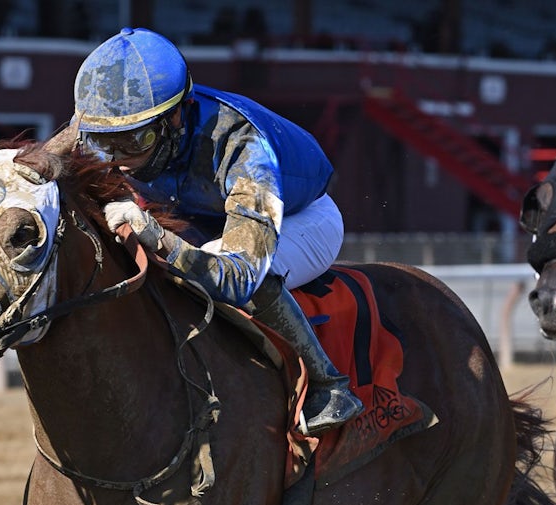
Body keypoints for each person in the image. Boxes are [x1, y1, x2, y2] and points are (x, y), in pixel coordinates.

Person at [72, 27, 363, 435]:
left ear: (176, 116)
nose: (116, 160)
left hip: (302, 218)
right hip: (204, 215)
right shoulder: (105, 121)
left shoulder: (244, 148)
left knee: (244, 275)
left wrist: (158, 238)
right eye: (104, 143)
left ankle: (328, 386)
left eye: (135, 141)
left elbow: (241, 277)